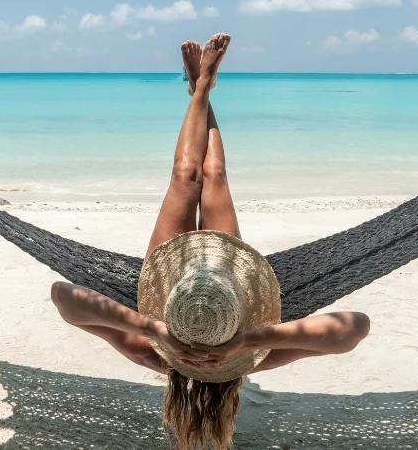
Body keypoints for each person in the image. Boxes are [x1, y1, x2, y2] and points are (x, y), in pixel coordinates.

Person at [51, 33, 371, 449]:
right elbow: (354, 329)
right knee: (214, 176)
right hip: (223, 281)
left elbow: (64, 297)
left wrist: (156, 328)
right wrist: (249, 340)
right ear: (230, 375)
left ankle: (199, 88)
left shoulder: (148, 351)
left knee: (186, 179)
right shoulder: (251, 355)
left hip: (172, 286)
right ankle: (201, 87)